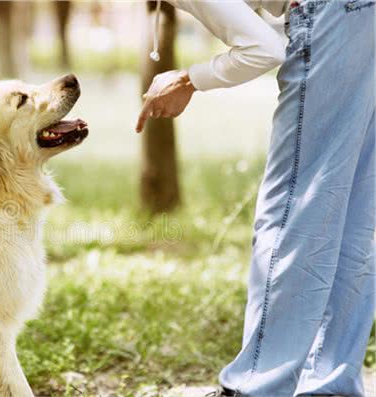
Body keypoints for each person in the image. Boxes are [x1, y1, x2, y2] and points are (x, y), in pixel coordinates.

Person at [136, 1, 375, 396]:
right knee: (349, 212)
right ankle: (331, 384)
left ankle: (258, 386)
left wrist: (189, 79)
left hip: (330, 15)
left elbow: (263, 47)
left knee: (292, 209)